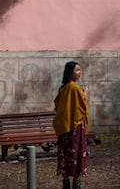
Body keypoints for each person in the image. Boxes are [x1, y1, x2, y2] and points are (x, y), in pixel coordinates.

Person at [53, 61, 89, 189]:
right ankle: (76, 182)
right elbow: (82, 106)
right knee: (76, 154)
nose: (80, 73)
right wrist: (84, 94)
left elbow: (57, 105)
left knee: (64, 153)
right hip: (75, 127)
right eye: (77, 70)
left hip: (64, 127)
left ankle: (65, 182)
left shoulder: (62, 88)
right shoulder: (75, 88)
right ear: (70, 72)